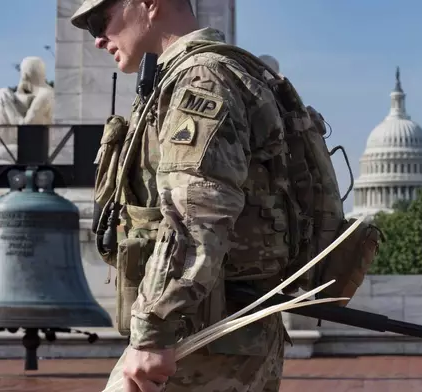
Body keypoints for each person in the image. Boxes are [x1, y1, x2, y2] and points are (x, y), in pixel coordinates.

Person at [70, 0, 291, 391]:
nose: (98, 38)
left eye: (100, 19)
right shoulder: (196, 75)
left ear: (150, 4)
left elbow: (197, 213)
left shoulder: (201, 80)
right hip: (208, 328)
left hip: (201, 338)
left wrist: (154, 330)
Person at [0, 56, 54, 125]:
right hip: (41, 133)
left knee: (2, 95)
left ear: (24, 75)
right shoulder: (48, 92)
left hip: (36, 134)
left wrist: (6, 103)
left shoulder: (44, 95)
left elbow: (25, 126)